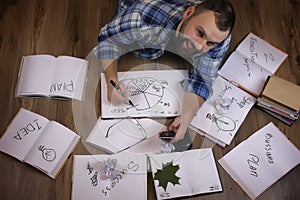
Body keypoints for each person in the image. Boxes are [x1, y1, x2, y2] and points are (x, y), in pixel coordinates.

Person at [94, 0, 235, 142]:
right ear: (188, 13)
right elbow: (108, 40)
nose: (199, 46)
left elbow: (201, 80)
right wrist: (112, 81)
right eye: (199, 33)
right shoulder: (140, 20)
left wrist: (185, 118)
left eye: (209, 43)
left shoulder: (217, 35)